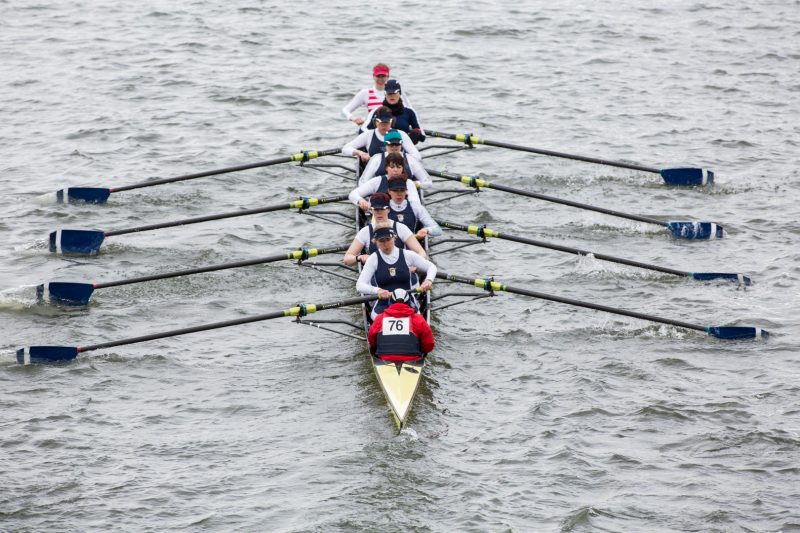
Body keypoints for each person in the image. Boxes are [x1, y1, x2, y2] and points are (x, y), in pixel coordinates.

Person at [356, 224, 436, 319]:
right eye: (381, 241)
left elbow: (431, 266)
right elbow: (360, 285)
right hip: (384, 303)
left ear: (394, 238)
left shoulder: (408, 255)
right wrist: (378, 291)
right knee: (379, 320)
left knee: (416, 320)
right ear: (375, 242)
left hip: (407, 301)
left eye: (388, 239)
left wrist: (428, 280)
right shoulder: (373, 259)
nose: (385, 244)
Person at [343, 192, 426, 266]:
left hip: (401, 270)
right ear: (371, 210)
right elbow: (347, 259)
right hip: (376, 273)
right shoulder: (365, 232)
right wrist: (359, 257)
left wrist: (414, 266)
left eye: (382, 209)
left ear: (388, 209)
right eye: (376, 209)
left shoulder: (401, 228)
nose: (379, 213)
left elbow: (421, 252)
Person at [368, 288, 435, 362]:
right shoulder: (418, 319)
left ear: (390, 302)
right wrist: (421, 350)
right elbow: (429, 345)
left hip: (384, 358)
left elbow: (371, 341)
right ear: (408, 303)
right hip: (413, 359)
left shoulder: (379, 318)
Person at [341, 64, 414, 127]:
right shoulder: (366, 93)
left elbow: (411, 111)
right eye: (378, 76)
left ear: (388, 76)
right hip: (374, 130)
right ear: (373, 76)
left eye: (383, 76)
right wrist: (353, 118)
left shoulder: (397, 92)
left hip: (396, 130)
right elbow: (344, 111)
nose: (381, 79)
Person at [342, 106, 420, 164]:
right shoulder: (368, 135)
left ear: (391, 122)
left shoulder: (401, 134)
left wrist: (402, 158)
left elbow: (417, 156)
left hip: (397, 170)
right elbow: (345, 148)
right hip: (375, 171)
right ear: (375, 122)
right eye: (381, 123)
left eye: (386, 123)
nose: (384, 126)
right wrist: (360, 153)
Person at [359, 129, 432, 187]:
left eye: (397, 144)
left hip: (406, 194)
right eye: (391, 144)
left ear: (401, 144)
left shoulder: (411, 159)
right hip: (382, 196)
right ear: (385, 145)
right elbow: (362, 182)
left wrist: (413, 185)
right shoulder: (376, 159)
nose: (394, 147)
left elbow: (428, 182)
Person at [349, 152, 422, 209]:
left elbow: (415, 204)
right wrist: (361, 201)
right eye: (392, 167)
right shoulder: (377, 181)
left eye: (399, 167)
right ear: (386, 168)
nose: (395, 170)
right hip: (380, 217)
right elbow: (353, 194)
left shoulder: (409, 183)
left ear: (403, 168)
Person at [364, 79, 425, 144]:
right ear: (385, 94)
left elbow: (423, 137)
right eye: (389, 93)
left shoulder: (409, 112)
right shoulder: (378, 112)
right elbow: (364, 132)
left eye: (394, 93)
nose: (392, 96)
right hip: (381, 147)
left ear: (399, 94)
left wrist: (416, 135)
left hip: (402, 146)